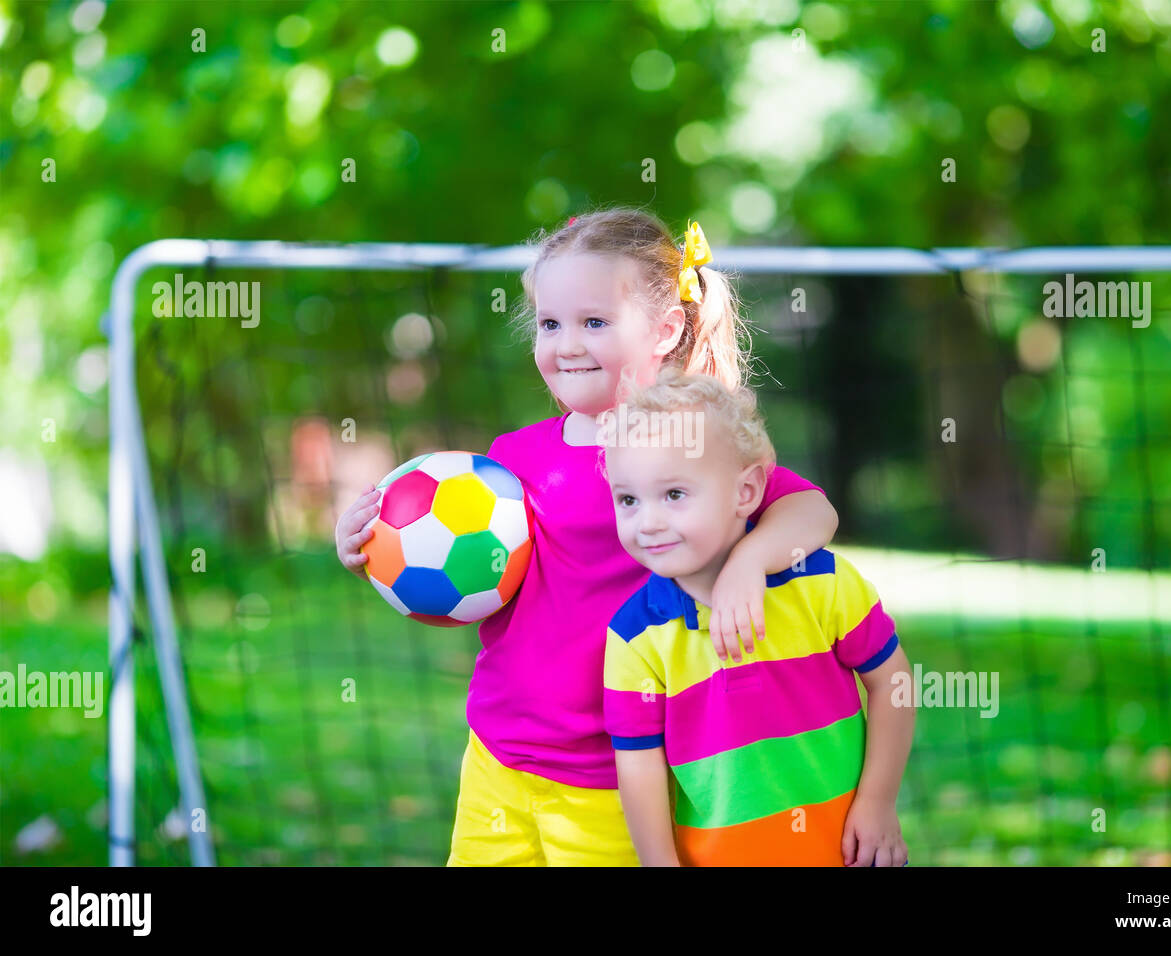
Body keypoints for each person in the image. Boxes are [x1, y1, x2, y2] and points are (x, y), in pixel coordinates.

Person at [334, 207, 840, 865]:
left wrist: (749, 561)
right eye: (550, 324)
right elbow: (481, 590)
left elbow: (813, 511)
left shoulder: (685, 447)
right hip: (499, 757)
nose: (565, 344)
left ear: (666, 330)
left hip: (619, 772)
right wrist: (375, 553)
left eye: (593, 322)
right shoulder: (509, 459)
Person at [600, 367, 914, 866]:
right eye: (628, 500)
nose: (648, 521)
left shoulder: (823, 584)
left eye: (674, 494)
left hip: (845, 851)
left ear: (745, 493)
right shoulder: (635, 636)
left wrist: (878, 803)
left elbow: (892, 682)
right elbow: (639, 765)